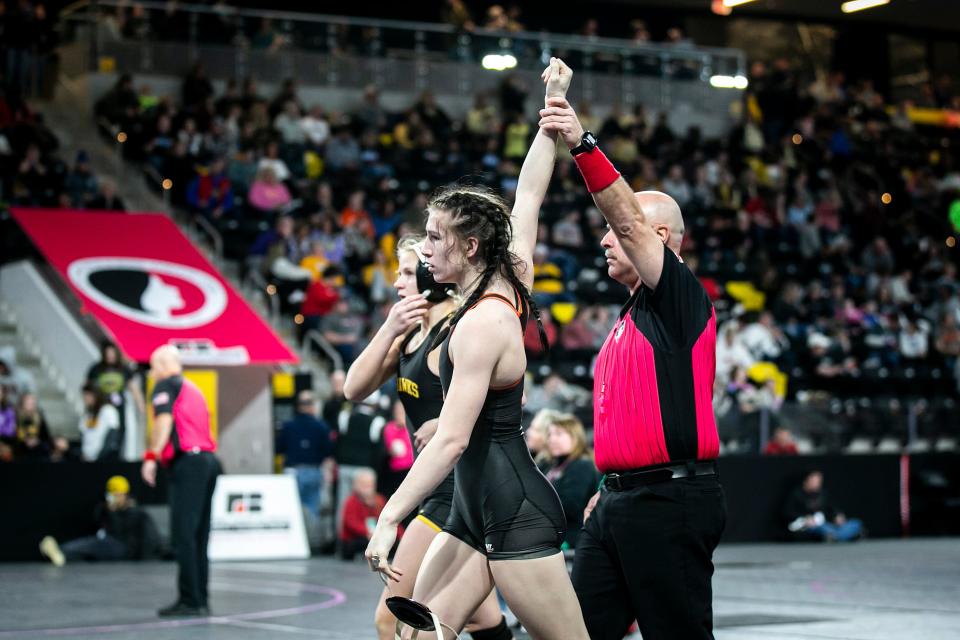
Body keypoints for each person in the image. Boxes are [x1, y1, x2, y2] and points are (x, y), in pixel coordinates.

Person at [365, 59, 590, 640]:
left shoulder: (483, 322)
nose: (425, 251)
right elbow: (530, 193)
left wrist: (390, 516)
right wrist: (553, 108)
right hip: (471, 511)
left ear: (468, 246)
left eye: (435, 238)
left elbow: (454, 438)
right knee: (412, 632)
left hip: (514, 513)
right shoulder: (504, 280)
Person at [538, 59, 725, 640]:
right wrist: (606, 489)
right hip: (619, 501)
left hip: (668, 501)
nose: (603, 238)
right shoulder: (633, 314)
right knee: (579, 632)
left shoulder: (680, 299)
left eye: (617, 232)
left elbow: (629, 222)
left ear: (660, 239)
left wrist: (580, 142)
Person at [344, 235, 510, 639]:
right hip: (436, 484)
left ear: (428, 273)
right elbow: (353, 388)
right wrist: (388, 328)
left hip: (456, 484)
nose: (398, 283)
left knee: (392, 619)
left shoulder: (458, 328)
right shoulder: (408, 337)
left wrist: (447, 421)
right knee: (480, 618)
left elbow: (502, 390)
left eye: (405, 272)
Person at [141, 345, 221, 618]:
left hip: (189, 464)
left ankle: (189, 600)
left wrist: (151, 455)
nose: (151, 374)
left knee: (184, 535)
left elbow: (163, 422)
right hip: (208, 461)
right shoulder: (192, 388)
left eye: (153, 367)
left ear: (163, 364)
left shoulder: (165, 385)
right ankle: (200, 599)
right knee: (199, 535)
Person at [39, 476, 161, 566]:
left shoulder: (135, 512)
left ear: (125, 495)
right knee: (90, 548)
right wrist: (107, 510)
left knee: (93, 544)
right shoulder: (106, 509)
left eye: (118, 495)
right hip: (110, 544)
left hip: (124, 548)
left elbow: (125, 533)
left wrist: (113, 513)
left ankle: (60, 550)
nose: (115, 498)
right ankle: (61, 554)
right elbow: (97, 523)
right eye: (113, 495)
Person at [276, 390, 334, 529]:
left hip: (292, 472)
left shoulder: (288, 426)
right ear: (313, 406)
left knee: (291, 509)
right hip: (314, 471)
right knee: (312, 508)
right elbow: (328, 452)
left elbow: (279, 448)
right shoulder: (322, 426)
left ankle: (294, 541)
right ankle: (311, 542)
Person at [541, 414, 600, 548]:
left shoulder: (581, 465)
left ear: (575, 437)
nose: (552, 439)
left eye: (559, 434)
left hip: (571, 537)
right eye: (550, 434)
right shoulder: (550, 464)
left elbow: (570, 506)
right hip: (551, 532)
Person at [783, 470, 863, 542]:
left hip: (828, 524)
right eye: (815, 481)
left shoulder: (823, 494)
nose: (818, 483)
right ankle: (844, 536)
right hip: (811, 526)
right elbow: (788, 512)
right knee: (823, 528)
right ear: (806, 481)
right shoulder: (797, 494)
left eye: (819, 481)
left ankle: (837, 536)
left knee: (856, 523)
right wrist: (806, 518)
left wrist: (838, 516)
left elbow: (833, 508)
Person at [339, 469, 391, 560]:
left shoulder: (379, 500)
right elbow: (351, 523)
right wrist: (369, 532)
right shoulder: (351, 501)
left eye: (370, 485)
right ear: (356, 485)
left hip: (373, 535)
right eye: (364, 486)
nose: (368, 489)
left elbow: (388, 518)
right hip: (355, 539)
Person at [79, 384, 121, 462]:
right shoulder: (87, 415)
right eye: (84, 395)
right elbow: (83, 437)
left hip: (103, 460)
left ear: (96, 395)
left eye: (88, 395)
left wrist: (100, 457)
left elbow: (111, 437)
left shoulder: (108, 410)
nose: (85, 398)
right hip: (86, 459)